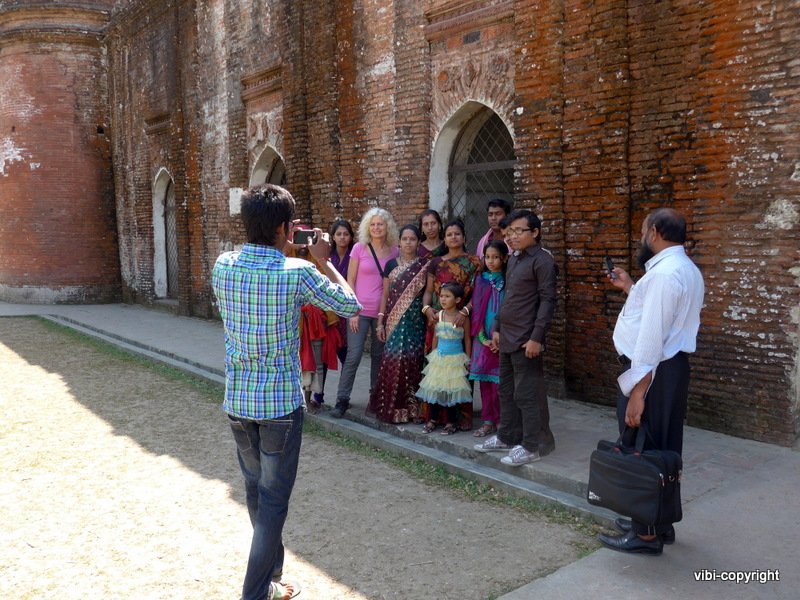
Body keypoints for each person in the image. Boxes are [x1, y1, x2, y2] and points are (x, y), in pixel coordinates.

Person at [211, 184, 361, 600]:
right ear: (285, 227)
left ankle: (271, 579)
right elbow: (350, 306)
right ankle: (256, 591)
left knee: (256, 491)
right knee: (274, 500)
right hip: (279, 405)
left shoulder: (223, 265)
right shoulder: (298, 272)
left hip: (239, 401)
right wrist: (323, 260)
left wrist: (290, 251)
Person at [597, 207, 704, 556]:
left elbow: (652, 335)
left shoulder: (664, 274)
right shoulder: (685, 268)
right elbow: (659, 316)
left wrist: (638, 391)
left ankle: (645, 534)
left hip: (654, 372)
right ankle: (659, 521)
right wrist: (631, 287)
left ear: (654, 232)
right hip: (670, 370)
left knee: (644, 446)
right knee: (665, 447)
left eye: (644, 230)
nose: (642, 237)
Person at [474, 209, 557, 466]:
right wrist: (497, 327)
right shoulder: (515, 259)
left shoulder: (542, 261)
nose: (512, 236)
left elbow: (547, 301)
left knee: (527, 393)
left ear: (535, 232)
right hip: (507, 336)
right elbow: (508, 297)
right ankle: (507, 436)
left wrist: (537, 338)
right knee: (507, 390)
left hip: (526, 339)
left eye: (519, 231)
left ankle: (534, 445)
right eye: (509, 232)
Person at [332, 207, 399, 418]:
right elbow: (349, 280)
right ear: (367, 227)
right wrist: (352, 311)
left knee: (379, 355)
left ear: (387, 226)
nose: (376, 228)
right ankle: (342, 399)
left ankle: (375, 398)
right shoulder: (359, 248)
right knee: (354, 355)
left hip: (382, 313)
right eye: (373, 224)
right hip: (359, 311)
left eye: (380, 224)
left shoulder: (395, 251)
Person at [421, 219, 482, 430]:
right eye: (449, 234)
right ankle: (434, 416)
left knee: (460, 370)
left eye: (457, 234)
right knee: (436, 372)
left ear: (464, 237)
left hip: (462, 319)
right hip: (438, 320)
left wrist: (465, 311)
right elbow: (429, 291)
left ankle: (459, 418)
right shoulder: (436, 263)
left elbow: (479, 293)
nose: (453, 237)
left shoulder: (474, 262)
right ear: (444, 239)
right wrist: (427, 309)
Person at [367, 224, 429, 423]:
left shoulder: (425, 266)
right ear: (399, 242)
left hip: (415, 322)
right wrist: (380, 322)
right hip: (393, 321)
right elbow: (385, 295)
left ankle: (414, 410)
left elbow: (427, 294)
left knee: (413, 362)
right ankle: (392, 409)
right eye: (405, 239)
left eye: (412, 239)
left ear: (418, 243)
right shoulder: (391, 265)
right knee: (393, 361)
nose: (408, 242)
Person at [417, 282, 473, 435]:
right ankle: (432, 419)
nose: (443, 299)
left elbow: (467, 340)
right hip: (439, 358)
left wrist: (468, 360)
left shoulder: (463, 319)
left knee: (451, 391)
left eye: (447, 296)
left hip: (455, 360)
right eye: (441, 296)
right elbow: (436, 337)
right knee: (435, 389)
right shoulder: (438, 315)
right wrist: (433, 355)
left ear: (457, 300)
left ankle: (451, 422)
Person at [312, 218, 355, 411]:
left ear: (351, 237)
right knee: (323, 356)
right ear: (333, 237)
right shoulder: (326, 256)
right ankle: (318, 396)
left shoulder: (355, 256)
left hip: (347, 314)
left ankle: (342, 397)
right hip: (329, 313)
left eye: (346, 234)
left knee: (346, 357)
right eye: (339, 234)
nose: (342, 237)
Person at [469, 240, 508, 437]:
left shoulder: (508, 281)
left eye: (496, 257)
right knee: (484, 382)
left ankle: (502, 421)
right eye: (487, 257)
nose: (491, 261)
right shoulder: (480, 280)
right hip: (482, 337)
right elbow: (476, 311)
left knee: (500, 383)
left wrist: (500, 338)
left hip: (503, 337)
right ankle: (488, 421)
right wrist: (483, 338)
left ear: (504, 258)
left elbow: (509, 310)